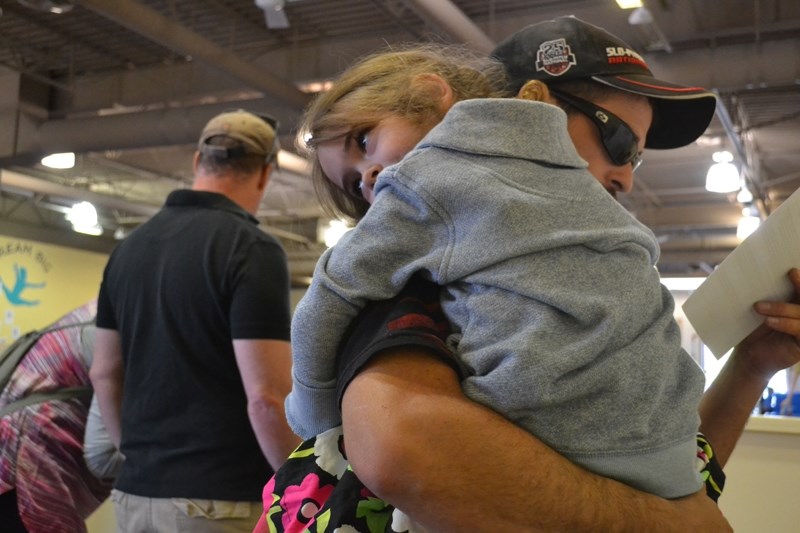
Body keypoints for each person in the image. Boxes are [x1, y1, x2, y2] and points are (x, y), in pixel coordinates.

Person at [260, 17, 800, 533]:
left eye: (638, 157)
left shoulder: (593, 268)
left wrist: (753, 364)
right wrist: (667, 524)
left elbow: (656, 463)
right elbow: (403, 449)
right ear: (530, 109)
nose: (628, 177)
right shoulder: (427, 264)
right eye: (618, 141)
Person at [91, 109, 300, 533]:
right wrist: (300, 483)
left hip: (134, 497)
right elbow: (266, 398)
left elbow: (103, 372)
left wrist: (136, 456)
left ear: (196, 162)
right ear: (265, 173)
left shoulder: (128, 250)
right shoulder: (251, 248)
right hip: (219, 502)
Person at [0, 301, 121, 533]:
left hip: (16, 453)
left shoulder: (106, 309)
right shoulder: (128, 323)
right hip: (29, 463)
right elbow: (101, 457)